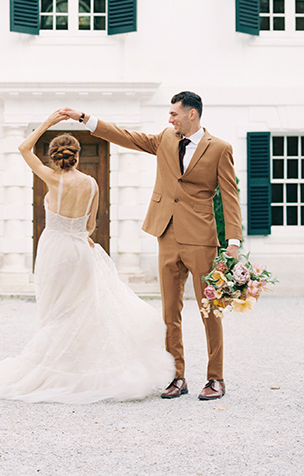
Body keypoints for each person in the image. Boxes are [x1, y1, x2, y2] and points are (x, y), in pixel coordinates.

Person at [0, 110, 173, 404]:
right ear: (76, 155)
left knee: (55, 312)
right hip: (80, 251)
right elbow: (90, 226)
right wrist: (81, 233)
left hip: (54, 249)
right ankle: (76, 368)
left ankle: (54, 369)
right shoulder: (91, 184)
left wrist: (48, 123)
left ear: (55, 156)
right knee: (81, 311)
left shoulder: (52, 178)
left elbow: (23, 148)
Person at [60, 91, 242, 401]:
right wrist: (83, 118)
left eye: (174, 114)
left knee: (209, 309)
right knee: (170, 312)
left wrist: (233, 244)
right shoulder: (165, 139)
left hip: (201, 239)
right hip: (166, 233)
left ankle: (215, 378)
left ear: (192, 115)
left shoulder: (220, 149)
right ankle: (177, 375)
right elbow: (125, 137)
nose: (169, 119)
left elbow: (230, 196)